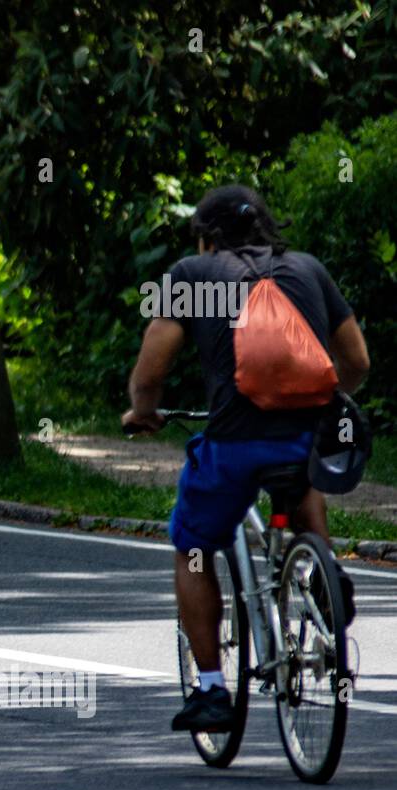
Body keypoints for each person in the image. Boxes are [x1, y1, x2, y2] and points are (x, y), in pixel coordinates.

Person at [121, 184, 370, 732]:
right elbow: (356, 359)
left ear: (207, 238)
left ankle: (210, 690)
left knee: (191, 548)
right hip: (304, 443)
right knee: (303, 489)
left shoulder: (192, 274)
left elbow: (152, 368)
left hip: (233, 445)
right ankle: (325, 574)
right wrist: (329, 402)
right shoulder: (308, 269)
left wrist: (142, 411)